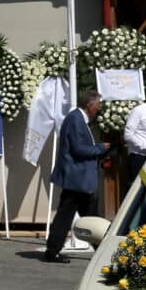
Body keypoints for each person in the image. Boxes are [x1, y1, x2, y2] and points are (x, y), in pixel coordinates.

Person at [44, 88, 105, 263]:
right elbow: (79, 149)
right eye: (98, 104)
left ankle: (100, 250)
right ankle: (53, 250)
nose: (99, 108)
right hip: (76, 178)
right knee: (73, 215)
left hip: (78, 178)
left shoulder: (78, 119)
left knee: (87, 215)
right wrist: (101, 148)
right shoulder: (76, 120)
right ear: (89, 105)